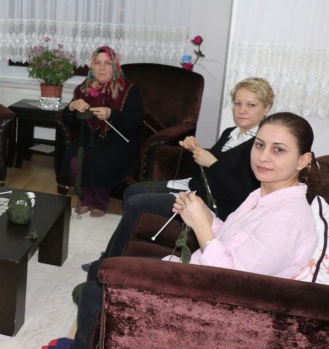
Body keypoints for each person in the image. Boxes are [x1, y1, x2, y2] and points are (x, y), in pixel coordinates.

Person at [44, 112, 320, 349]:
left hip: (210, 302)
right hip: (200, 273)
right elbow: (232, 237)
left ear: (303, 160)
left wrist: (201, 226)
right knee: (103, 270)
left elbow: (234, 284)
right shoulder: (264, 194)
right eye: (259, 145)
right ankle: (97, 315)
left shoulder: (287, 219)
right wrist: (206, 217)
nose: (263, 157)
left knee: (97, 288)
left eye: (278, 150)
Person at [101, 77, 275, 259]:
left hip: (212, 203)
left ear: (266, 108)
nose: (242, 110)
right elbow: (205, 169)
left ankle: (109, 261)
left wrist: (212, 163)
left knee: (136, 203)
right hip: (195, 186)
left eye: (251, 105)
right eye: (238, 103)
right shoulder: (230, 133)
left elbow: (242, 194)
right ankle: (114, 254)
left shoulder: (260, 145)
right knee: (132, 191)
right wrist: (195, 150)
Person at [60, 45, 144, 217]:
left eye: (107, 63)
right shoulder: (84, 88)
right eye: (97, 63)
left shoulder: (129, 89)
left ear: (115, 66)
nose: (102, 68)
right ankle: (86, 198)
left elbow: (136, 121)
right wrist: (72, 106)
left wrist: (111, 114)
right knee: (74, 160)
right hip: (90, 138)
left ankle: (100, 201)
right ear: (92, 66)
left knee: (99, 160)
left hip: (119, 141)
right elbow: (68, 119)